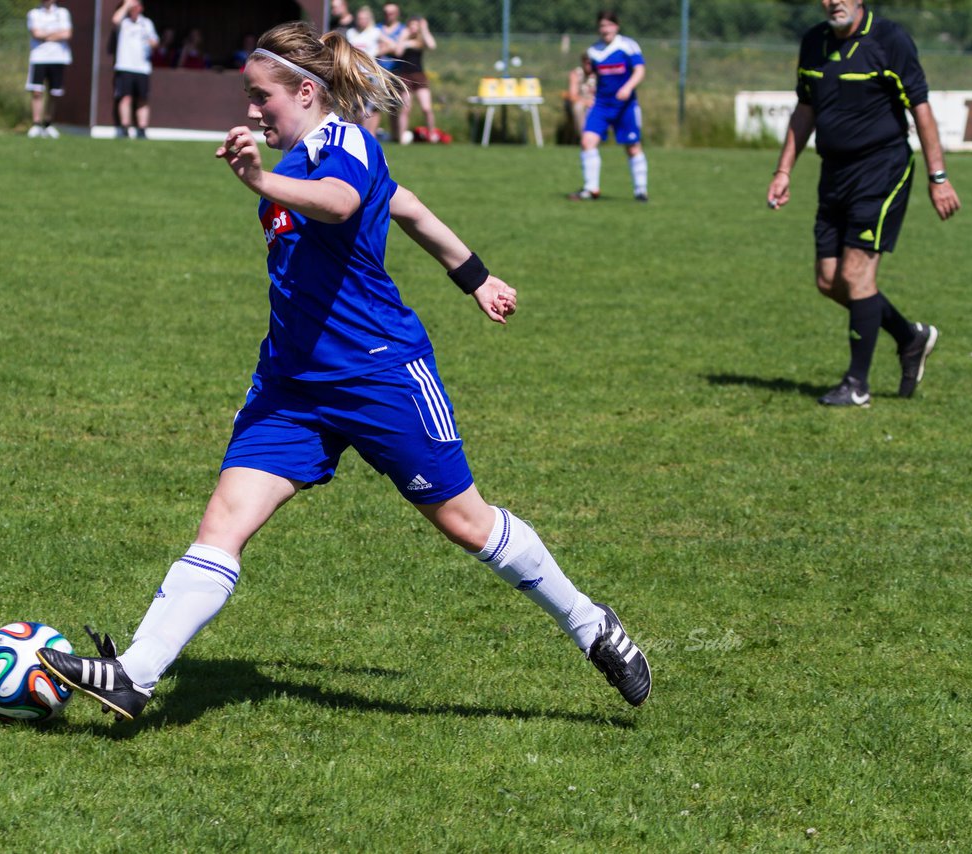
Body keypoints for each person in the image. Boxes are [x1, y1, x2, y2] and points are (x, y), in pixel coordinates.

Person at [36, 21, 652, 722]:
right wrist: (475, 276)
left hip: (379, 372)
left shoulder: (343, 144)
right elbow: (406, 205)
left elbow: (346, 202)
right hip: (292, 384)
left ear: (305, 91)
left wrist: (260, 181)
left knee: (465, 522)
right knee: (224, 521)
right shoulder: (300, 153)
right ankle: (135, 675)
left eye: (260, 96)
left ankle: (589, 623)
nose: (251, 110)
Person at [767, 0, 960, 406]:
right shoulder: (814, 42)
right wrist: (783, 170)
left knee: (857, 276)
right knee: (828, 281)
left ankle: (857, 385)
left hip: (882, 170)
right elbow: (806, 109)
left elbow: (920, 108)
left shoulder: (889, 39)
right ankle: (910, 337)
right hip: (834, 173)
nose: (835, 1)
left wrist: (937, 176)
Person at [567, 11, 647, 201]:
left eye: (609, 25)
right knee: (587, 142)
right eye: (602, 26)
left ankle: (640, 191)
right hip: (602, 105)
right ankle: (590, 189)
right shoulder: (594, 51)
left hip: (625, 106)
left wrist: (628, 87)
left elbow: (640, 70)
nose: (605, 29)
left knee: (632, 147)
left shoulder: (628, 46)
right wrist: (581, 78)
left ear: (616, 27)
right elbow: (591, 75)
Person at [25, 0, 72, 139]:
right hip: (39, 57)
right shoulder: (33, 13)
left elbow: (67, 34)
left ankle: (48, 124)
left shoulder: (63, 13)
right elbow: (36, 33)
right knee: (37, 91)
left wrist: (46, 35)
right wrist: (56, 33)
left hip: (58, 58)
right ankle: (36, 124)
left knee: (54, 92)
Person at [111, 0, 158, 139]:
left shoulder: (146, 23)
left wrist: (151, 42)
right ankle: (124, 128)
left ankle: (142, 129)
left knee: (143, 98)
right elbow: (115, 20)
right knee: (125, 97)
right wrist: (126, 5)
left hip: (142, 67)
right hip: (125, 66)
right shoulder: (124, 22)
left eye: (136, 5)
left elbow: (155, 42)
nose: (134, 7)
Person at [393, 15, 438, 144]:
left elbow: (432, 45)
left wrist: (424, 29)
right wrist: (403, 38)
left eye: (416, 25)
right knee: (406, 109)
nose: (413, 28)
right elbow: (398, 52)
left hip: (419, 75)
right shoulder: (404, 39)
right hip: (405, 76)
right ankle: (401, 138)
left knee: (427, 108)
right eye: (411, 25)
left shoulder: (421, 40)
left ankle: (432, 135)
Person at [345, 6, 384, 137]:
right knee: (355, 106)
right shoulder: (351, 33)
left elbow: (391, 44)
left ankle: (368, 134)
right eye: (360, 18)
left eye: (364, 18)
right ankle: (356, 133)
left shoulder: (375, 32)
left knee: (369, 108)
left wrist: (375, 54)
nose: (361, 21)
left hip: (370, 75)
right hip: (354, 74)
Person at [565, 54, 596, 144]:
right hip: (580, 100)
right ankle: (585, 138)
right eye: (587, 63)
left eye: (591, 63)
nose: (589, 65)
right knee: (578, 107)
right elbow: (572, 95)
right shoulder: (576, 73)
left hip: (597, 102)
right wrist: (586, 102)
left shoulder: (600, 73)